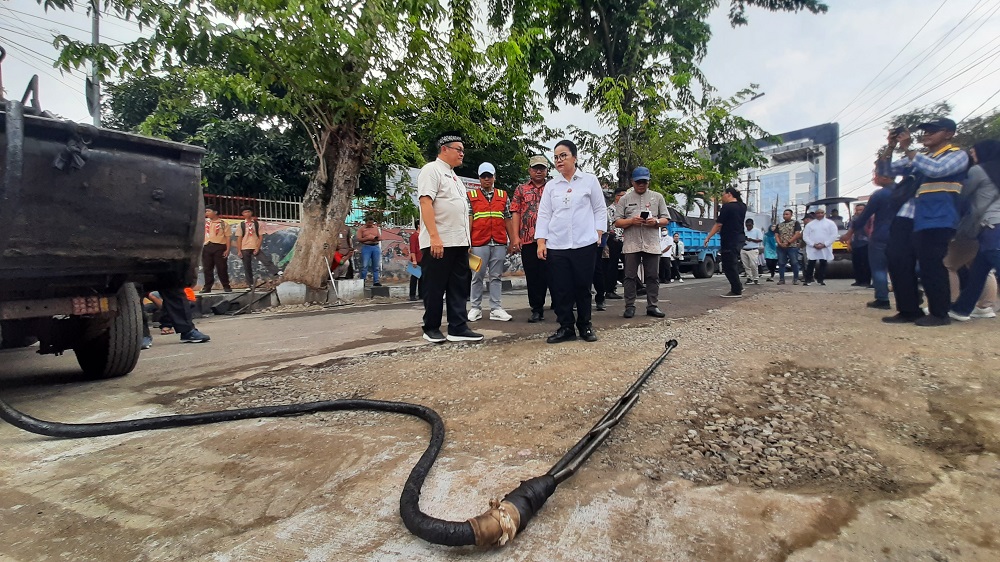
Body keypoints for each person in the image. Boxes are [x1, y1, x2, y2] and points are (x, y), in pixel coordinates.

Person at [881, 118, 969, 326]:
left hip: (937, 215)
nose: (927, 134)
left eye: (933, 131)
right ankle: (909, 309)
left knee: (932, 263)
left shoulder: (957, 155)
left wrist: (909, 148)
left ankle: (940, 313)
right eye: (925, 131)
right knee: (897, 259)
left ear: (948, 134)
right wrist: (891, 146)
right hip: (908, 214)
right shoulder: (920, 157)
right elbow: (886, 172)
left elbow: (937, 170)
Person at [536, 139, 606, 343]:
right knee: (560, 288)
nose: (559, 160)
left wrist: (598, 232)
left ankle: (585, 326)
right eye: (556, 157)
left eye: (563, 155)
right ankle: (566, 327)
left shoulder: (589, 181)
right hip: (557, 245)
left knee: (583, 287)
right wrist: (541, 241)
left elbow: (599, 209)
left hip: (584, 243)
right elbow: (544, 215)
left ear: (574, 157)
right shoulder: (551, 186)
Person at [416, 134, 483, 343]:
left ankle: (458, 327)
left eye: (463, 150)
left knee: (458, 287)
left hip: (459, 243)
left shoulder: (455, 178)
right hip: (440, 242)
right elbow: (426, 203)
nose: (462, 153)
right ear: (444, 149)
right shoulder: (431, 170)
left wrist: (467, 243)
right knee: (435, 287)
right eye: (458, 149)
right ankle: (431, 327)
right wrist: (434, 238)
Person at [949, 140, 1000, 321]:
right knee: (980, 270)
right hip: (991, 226)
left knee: (990, 265)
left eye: (973, 152)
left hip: (992, 224)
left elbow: (962, 194)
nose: (971, 155)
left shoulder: (978, 170)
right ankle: (962, 309)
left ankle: (957, 306)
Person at [614, 166, 669, 317]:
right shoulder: (625, 199)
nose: (641, 185)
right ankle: (629, 306)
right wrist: (631, 221)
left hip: (651, 242)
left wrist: (655, 221)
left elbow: (666, 219)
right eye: (638, 182)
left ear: (648, 182)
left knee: (653, 275)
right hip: (632, 243)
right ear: (632, 182)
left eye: (644, 182)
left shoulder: (657, 197)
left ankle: (653, 305)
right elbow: (617, 221)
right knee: (629, 276)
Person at [842, 167, 898, 309]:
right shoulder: (905, 191)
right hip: (901, 235)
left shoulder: (880, 195)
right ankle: (908, 297)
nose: (874, 178)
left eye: (876, 176)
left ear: (885, 177)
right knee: (900, 267)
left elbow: (864, 217)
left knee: (879, 268)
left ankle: (882, 299)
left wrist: (849, 233)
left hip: (881, 234)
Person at [467, 162, 514, 322]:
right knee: (477, 275)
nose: (486, 179)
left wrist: (513, 240)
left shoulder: (503, 195)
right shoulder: (471, 196)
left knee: (496, 276)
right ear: (479, 178)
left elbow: (508, 218)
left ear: (494, 177)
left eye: (489, 176)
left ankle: (496, 308)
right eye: (483, 176)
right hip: (478, 243)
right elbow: (469, 219)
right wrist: (468, 243)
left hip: (499, 242)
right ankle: (475, 308)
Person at [510, 155, 550, 323]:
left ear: (547, 170)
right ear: (529, 170)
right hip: (527, 240)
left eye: (542, 168)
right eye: (535, 168)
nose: (538, 171)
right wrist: (515, 237)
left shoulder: (553, 187)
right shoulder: (521, 189)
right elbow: (515, 212)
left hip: (551, 239)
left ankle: (561, 306)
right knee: (533, 276)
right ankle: (537, 309)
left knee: (553, 274)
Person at [703, 187, 747, 297]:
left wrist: (708, 237)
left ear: (729, 194)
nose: (722, 197)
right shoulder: (742, 206)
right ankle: (738, 286)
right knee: (733, 264)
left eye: (723, 195)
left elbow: (718, 224)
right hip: (739, 238)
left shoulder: (727, 207)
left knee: (728, 266)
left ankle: (736, 290)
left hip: (729, 239)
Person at [236, 206, 280, 286]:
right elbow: (239, 238)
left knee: (266, 260)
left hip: (255, 246)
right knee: (247, 266)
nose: (247, 213)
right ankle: (250, 284)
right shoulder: (241, 225)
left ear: (251, 213)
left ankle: (277, 273)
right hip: (245, 247)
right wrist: (239, 250)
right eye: (245, 212)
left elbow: (260, 236)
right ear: (242, 214)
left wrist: (257, 247)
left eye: (248, 211)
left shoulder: (257, 224)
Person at [201, 204, 232, 293]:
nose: (206, 213)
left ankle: (226, 286)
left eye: (208, 211)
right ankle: (207, 287)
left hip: (219, 247)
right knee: (207, 268)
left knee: (221, 268)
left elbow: (228, 237)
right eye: (206, 211)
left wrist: (227, 249)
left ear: (215, 212)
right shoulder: (205, 223)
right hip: (207, 246)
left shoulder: (223, 224)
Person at [604, 186, 628, 298]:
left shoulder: (625, 209)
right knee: (613, 264)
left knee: (628, 263)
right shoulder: (610, 209)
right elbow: (610, 225)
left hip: (625, 239)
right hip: (614, 239)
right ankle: (609, 290)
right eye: (622, 196)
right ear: (617, 197)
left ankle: (637, 286)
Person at [803, 209, 838, 285]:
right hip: (813, 247)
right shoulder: (810, 224)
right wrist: (813, 244)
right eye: (818, 213)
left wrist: (825, 244)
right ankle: (808, 280)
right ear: (815, 214)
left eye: (821, 213)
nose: (819, 214)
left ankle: (821, 280)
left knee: (823, 263)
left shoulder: (830, 223)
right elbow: (805, 236)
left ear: (824, 214)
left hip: (825, 247)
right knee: (811, 263)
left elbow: (834, 235)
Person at [356, 215, 383, 287]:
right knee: (365, 265)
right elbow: (359, 239)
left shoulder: (376, 228)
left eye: (371, 223)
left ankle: (376, 281)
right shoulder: (361, 229)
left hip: (375, 247)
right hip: (366, 247)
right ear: (366, 222)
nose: (370, 224)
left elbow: (380, 238)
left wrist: (375, 238)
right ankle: (363, 281)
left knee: (376, 266)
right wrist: (367, 238)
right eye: (369, 223)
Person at [741, 218, 763, 285]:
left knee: (753, 265)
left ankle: (756, 278)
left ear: (752, 225)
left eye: (749, 225)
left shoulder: (757, 231)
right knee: (746, 265)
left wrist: (751, 240)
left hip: (753, 249)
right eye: (747, 225)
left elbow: (760, 240)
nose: (748, 227)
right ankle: (749, 278)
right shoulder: (744, 231)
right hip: (744, 249)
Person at [408, 221, 423, 301]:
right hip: (416, 259)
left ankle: (421, 294)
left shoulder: (422, 235)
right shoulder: (414, 236)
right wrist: (414, 260)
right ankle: (412, 295)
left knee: (422, 278)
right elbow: (412, 249)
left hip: (423, 258)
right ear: (418, 225)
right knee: (414, 278)